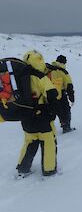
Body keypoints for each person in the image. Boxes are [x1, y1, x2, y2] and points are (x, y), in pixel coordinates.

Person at [16, 50, 59, 178]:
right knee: (49, 142)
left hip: (26, 116)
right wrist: (53, 112)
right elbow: (52, 94)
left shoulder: (19, 77)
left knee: (30, 141)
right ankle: (49, 170)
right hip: (42, 116)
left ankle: (23, 168)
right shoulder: (40, 77)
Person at [46, 55, 75, 133]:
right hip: (60, 95)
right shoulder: (63, 72)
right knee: (65, 111)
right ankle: (66, 127)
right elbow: (69, 86)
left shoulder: (48, 70)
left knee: (50, 112)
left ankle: (46, 128)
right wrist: (72, 98)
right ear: (64, 62)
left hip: (47, 95)